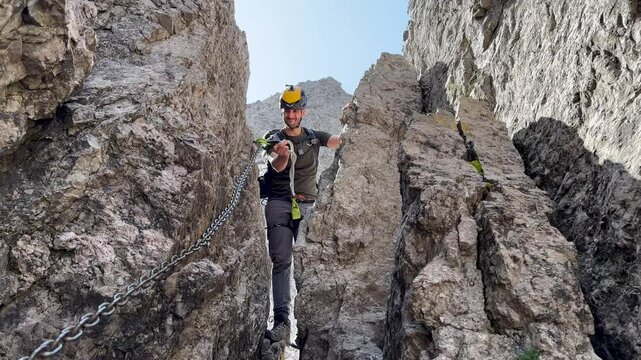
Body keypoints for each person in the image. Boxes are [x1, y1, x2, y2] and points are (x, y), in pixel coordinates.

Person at [262, 85, 341, 344]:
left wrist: (356, 118)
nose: (291, 115)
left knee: (311, 264)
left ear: (303, 112)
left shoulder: (314, 137)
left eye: (295, 110)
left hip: (308, 206)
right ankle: (282, 322)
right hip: (280, 204)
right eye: (287, 110)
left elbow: (338, 142)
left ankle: (309, 326)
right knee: (282, 261)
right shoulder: (273, 137)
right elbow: (276, 164)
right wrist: (283, 156)